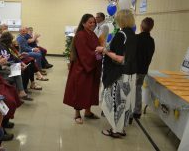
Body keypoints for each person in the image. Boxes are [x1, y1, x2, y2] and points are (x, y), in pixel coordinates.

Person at [96, 9, 137, 138]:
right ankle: (121, 128)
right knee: (125, 104)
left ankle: (115, 130)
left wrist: (104, 50)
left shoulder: (121, 35)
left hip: (118, 75)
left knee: (115, 103)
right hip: (130, 75)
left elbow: (120, 59)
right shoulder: (133, 35)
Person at [63, 14, 102, 124]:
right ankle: (77, 114)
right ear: (84, 23)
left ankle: (88, 112)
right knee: (80, 91)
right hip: (82, 67)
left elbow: (97, 49)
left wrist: (99, 59)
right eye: (90, 22)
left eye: (94, 22)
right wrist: (97, 56)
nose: (93, 24)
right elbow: (84, 53)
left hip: (92, 67)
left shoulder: (93, 34)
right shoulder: (80, 35)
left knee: (90, 91)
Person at [133, 17, 155, 119]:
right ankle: (137, 110)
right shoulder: (151, 41)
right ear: (151, 28)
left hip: (134, 69)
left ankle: (134, 110)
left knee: (133, 89)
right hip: (143, 69)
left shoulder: (136, 38)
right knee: (138, 89)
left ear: (141, 27)